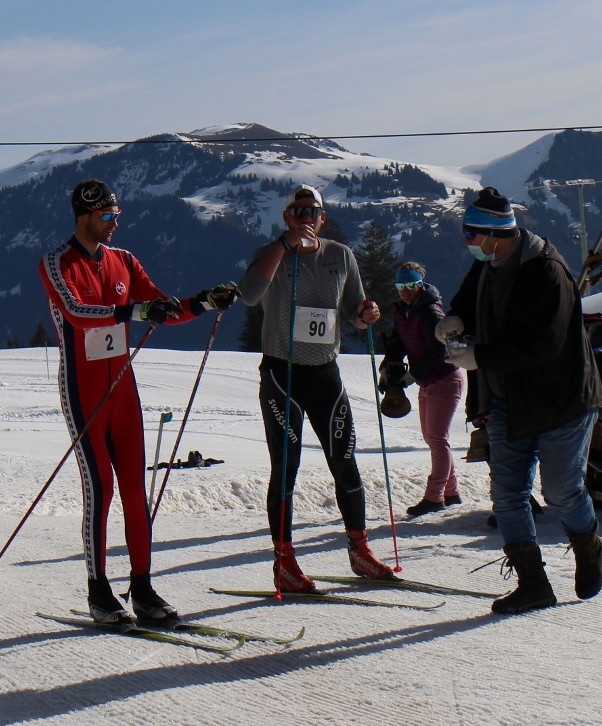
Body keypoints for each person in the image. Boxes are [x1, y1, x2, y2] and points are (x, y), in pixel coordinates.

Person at [39, 178, 238, 624]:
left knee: (134, 489)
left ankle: (143, 587)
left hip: (123, 389)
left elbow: (162, 307)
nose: (114, 225)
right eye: (107, 217)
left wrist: (204, 302)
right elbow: (76, 312)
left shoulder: (124, 260)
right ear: (85, 216)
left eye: (117, 217)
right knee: (100, 490)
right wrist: (132, 312)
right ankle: (99, 591)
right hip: (83, 389)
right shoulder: (57, 261)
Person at [437, 186, 602, 614]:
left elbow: (544, 344)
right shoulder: (490, 263)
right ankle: (534, 584)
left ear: (495, 233)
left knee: (562, 492)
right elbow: (467, 300)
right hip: (506, 397)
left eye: (471, 236)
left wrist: (481, 356)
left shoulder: (546, 271)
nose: (468, 245)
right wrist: (455, 319)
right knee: (508, 494)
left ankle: (588, 545)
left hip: (560, 399)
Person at [238, 184, 395, 592]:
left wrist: (366, 314)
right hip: (281, 375)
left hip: (325, 372)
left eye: (313, 212)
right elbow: (249, 295)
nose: (306, 218)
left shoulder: (340, 255)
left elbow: (356, 310)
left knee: (344, 459)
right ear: (286, 217)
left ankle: (360, 548)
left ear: (323, 218)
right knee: (286, 469)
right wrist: (283, 245)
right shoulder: (270, 253)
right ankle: (284, 561)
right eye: (297, 212)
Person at [380, 262, 466, 517]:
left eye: (411, 285)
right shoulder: (402, 311)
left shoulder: (430, 312)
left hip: (445, 378)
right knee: (433, 439)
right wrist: (390, 365)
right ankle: (451, 492)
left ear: (420, 285)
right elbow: (400, 342)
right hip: (428, 381)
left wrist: (409, 377)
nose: (405, 291)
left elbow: (440, 351)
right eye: (401, 286)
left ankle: (434, 497)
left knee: (437, 440)